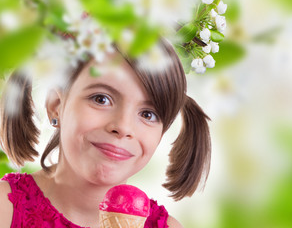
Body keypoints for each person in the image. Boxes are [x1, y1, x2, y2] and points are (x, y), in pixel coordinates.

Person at [0, 40, 211, 227]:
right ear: (56, 105)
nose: (123, 127)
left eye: (148, 114)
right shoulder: (4, 208)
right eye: (101, 99)